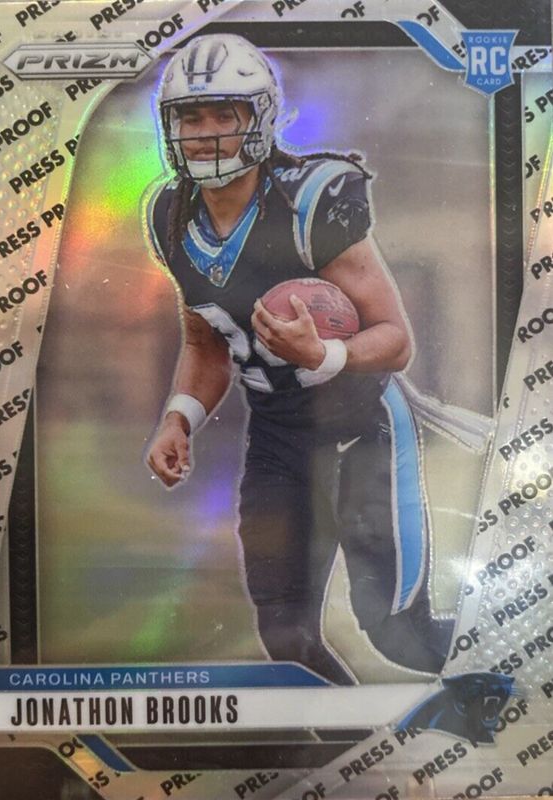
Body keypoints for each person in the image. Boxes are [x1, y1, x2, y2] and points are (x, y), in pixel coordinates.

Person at [146, 33, 456, 684]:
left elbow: (395, 340)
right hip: (278, 434)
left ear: (259, 119)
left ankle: (509, 688)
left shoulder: (310, 203)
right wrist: (178, 417)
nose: (206, 133)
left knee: (399, 635)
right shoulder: (170, 213)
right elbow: (205, 340)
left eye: (224, 114)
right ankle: (364, 747)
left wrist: (326, 352)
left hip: (361, 424)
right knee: (285, 636)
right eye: (190, 117)